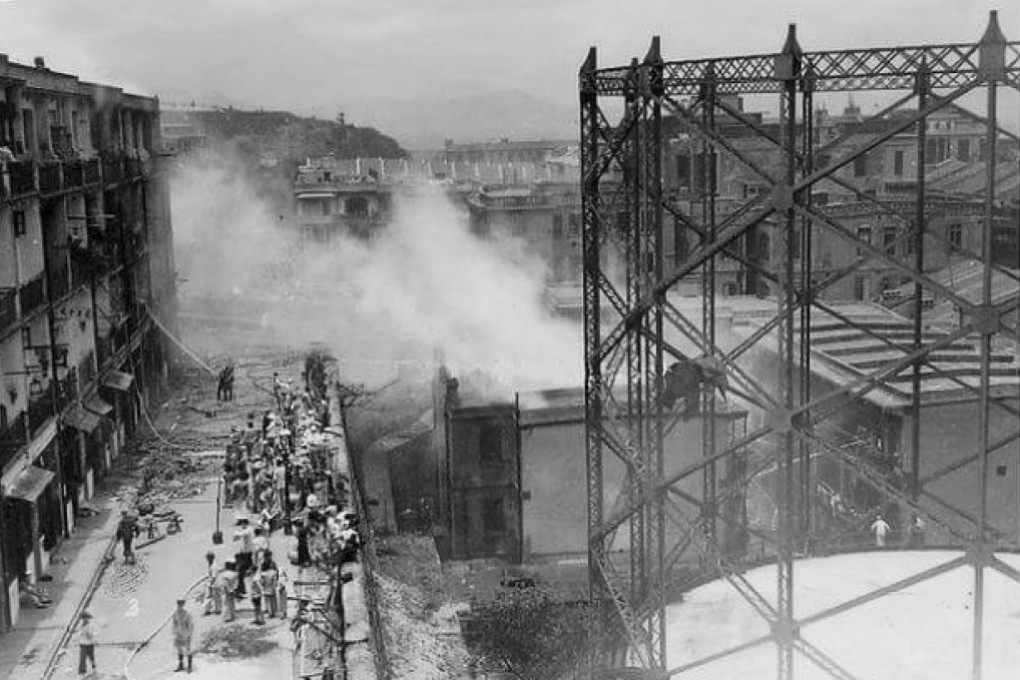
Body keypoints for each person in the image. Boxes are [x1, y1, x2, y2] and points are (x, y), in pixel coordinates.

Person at [232, 515, 255, 597]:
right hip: (246, 554)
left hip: (248, 554)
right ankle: (241, 588)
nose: (242, 525)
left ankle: (241, 589)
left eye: (242, 523)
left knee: (241, 571)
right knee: (241, 572)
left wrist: (235, 531)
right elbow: (236, 539)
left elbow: (239, 535)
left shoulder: (248, 530)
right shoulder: (247, 530)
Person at [171, 598, 194, 673]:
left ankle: (189, 667)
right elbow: (174, 622)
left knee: (188, 649)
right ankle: (181, 665)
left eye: (181, 603)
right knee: (179, 650)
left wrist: (189, 633)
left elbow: (190, 624)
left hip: (186, 633)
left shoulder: (187, 613)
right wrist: (174, 631)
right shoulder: (175, 612)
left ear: (183, 604)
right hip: (178, 633)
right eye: (178, 603)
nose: (180, 604)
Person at [77, 610, 97, 676]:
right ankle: (82, 672)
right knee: (82, 658)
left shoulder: (89, 625)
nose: (83, 619)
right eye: (83, 618)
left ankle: (94, 668)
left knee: (91, 657)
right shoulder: (81, 625)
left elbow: (91, 635)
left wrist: (89, 636)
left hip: (89, 644)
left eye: (85, 617)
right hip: (83, 644)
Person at [203, 552, 222, 616]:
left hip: (214, 584)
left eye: (207, 557)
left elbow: (213, 577)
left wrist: (210, 585)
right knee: (211, 597)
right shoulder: (211, 564)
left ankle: (218, 610)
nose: (206, 559)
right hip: (213, 583)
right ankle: (209, 610)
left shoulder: (214, 566)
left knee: (215, 598)